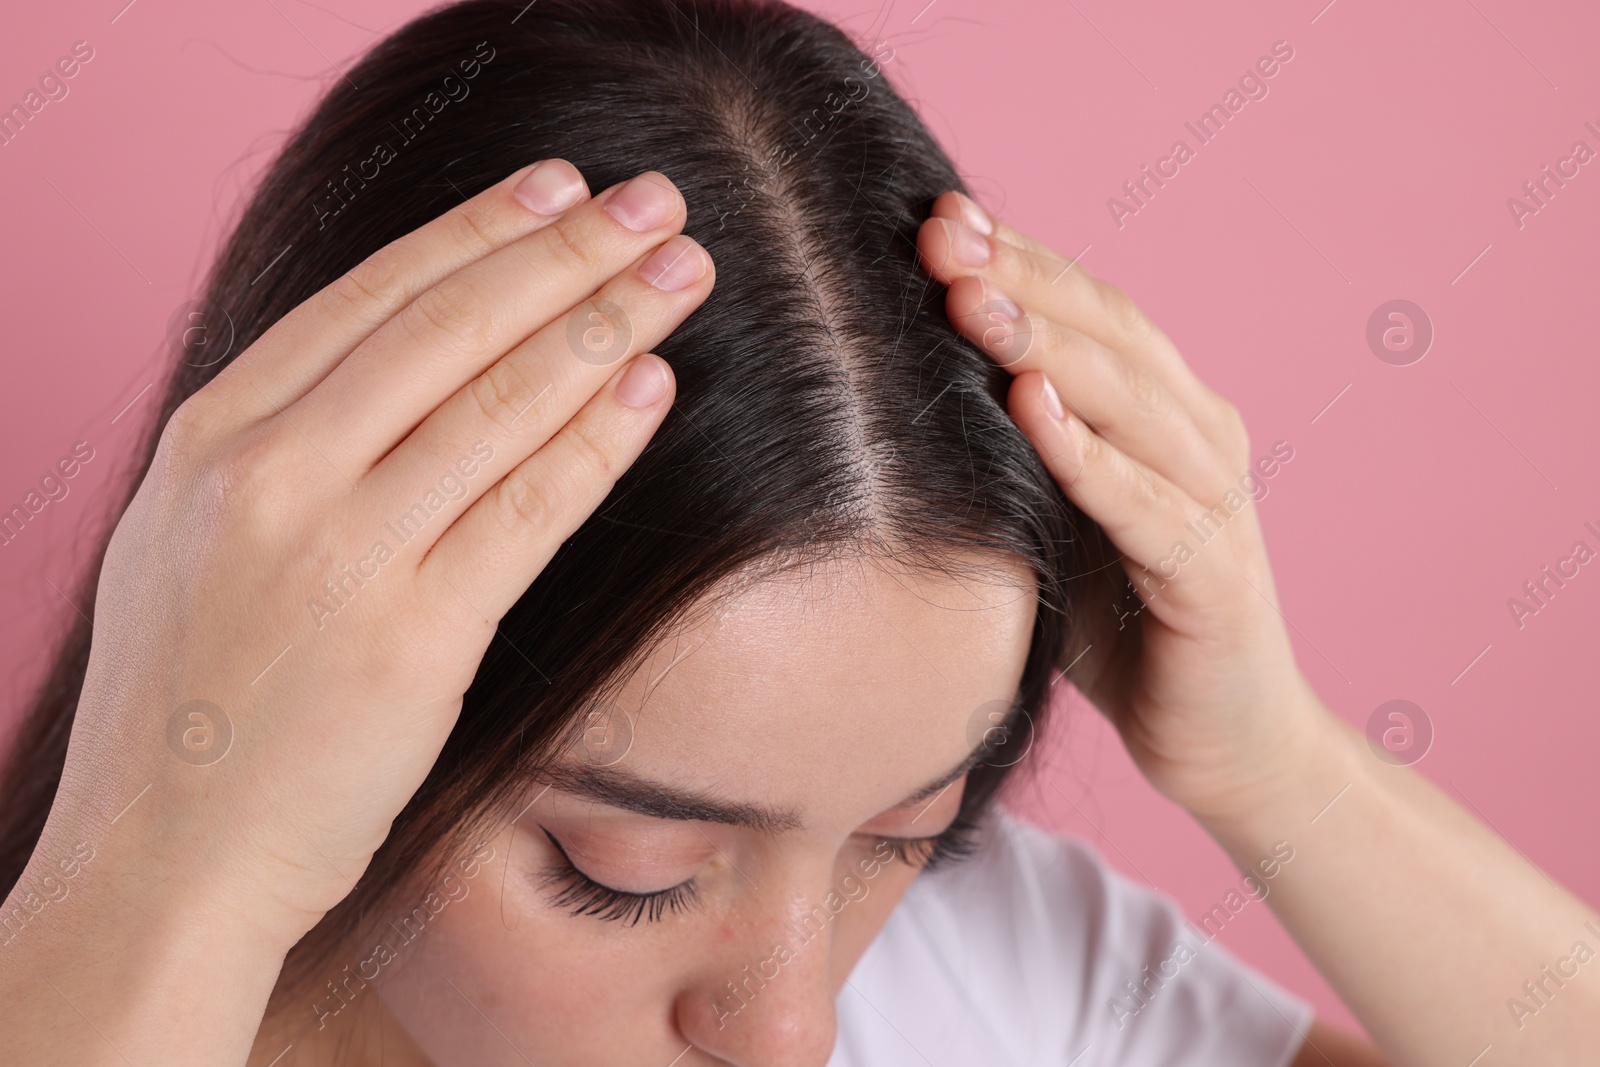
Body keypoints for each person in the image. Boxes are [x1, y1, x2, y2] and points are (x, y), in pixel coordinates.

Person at [0, 1, 1595, 1064]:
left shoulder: (995, 975)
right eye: (624, 870)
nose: (791, 1030)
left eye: (908, 832)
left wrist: (1279, 769)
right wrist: (162, 875)